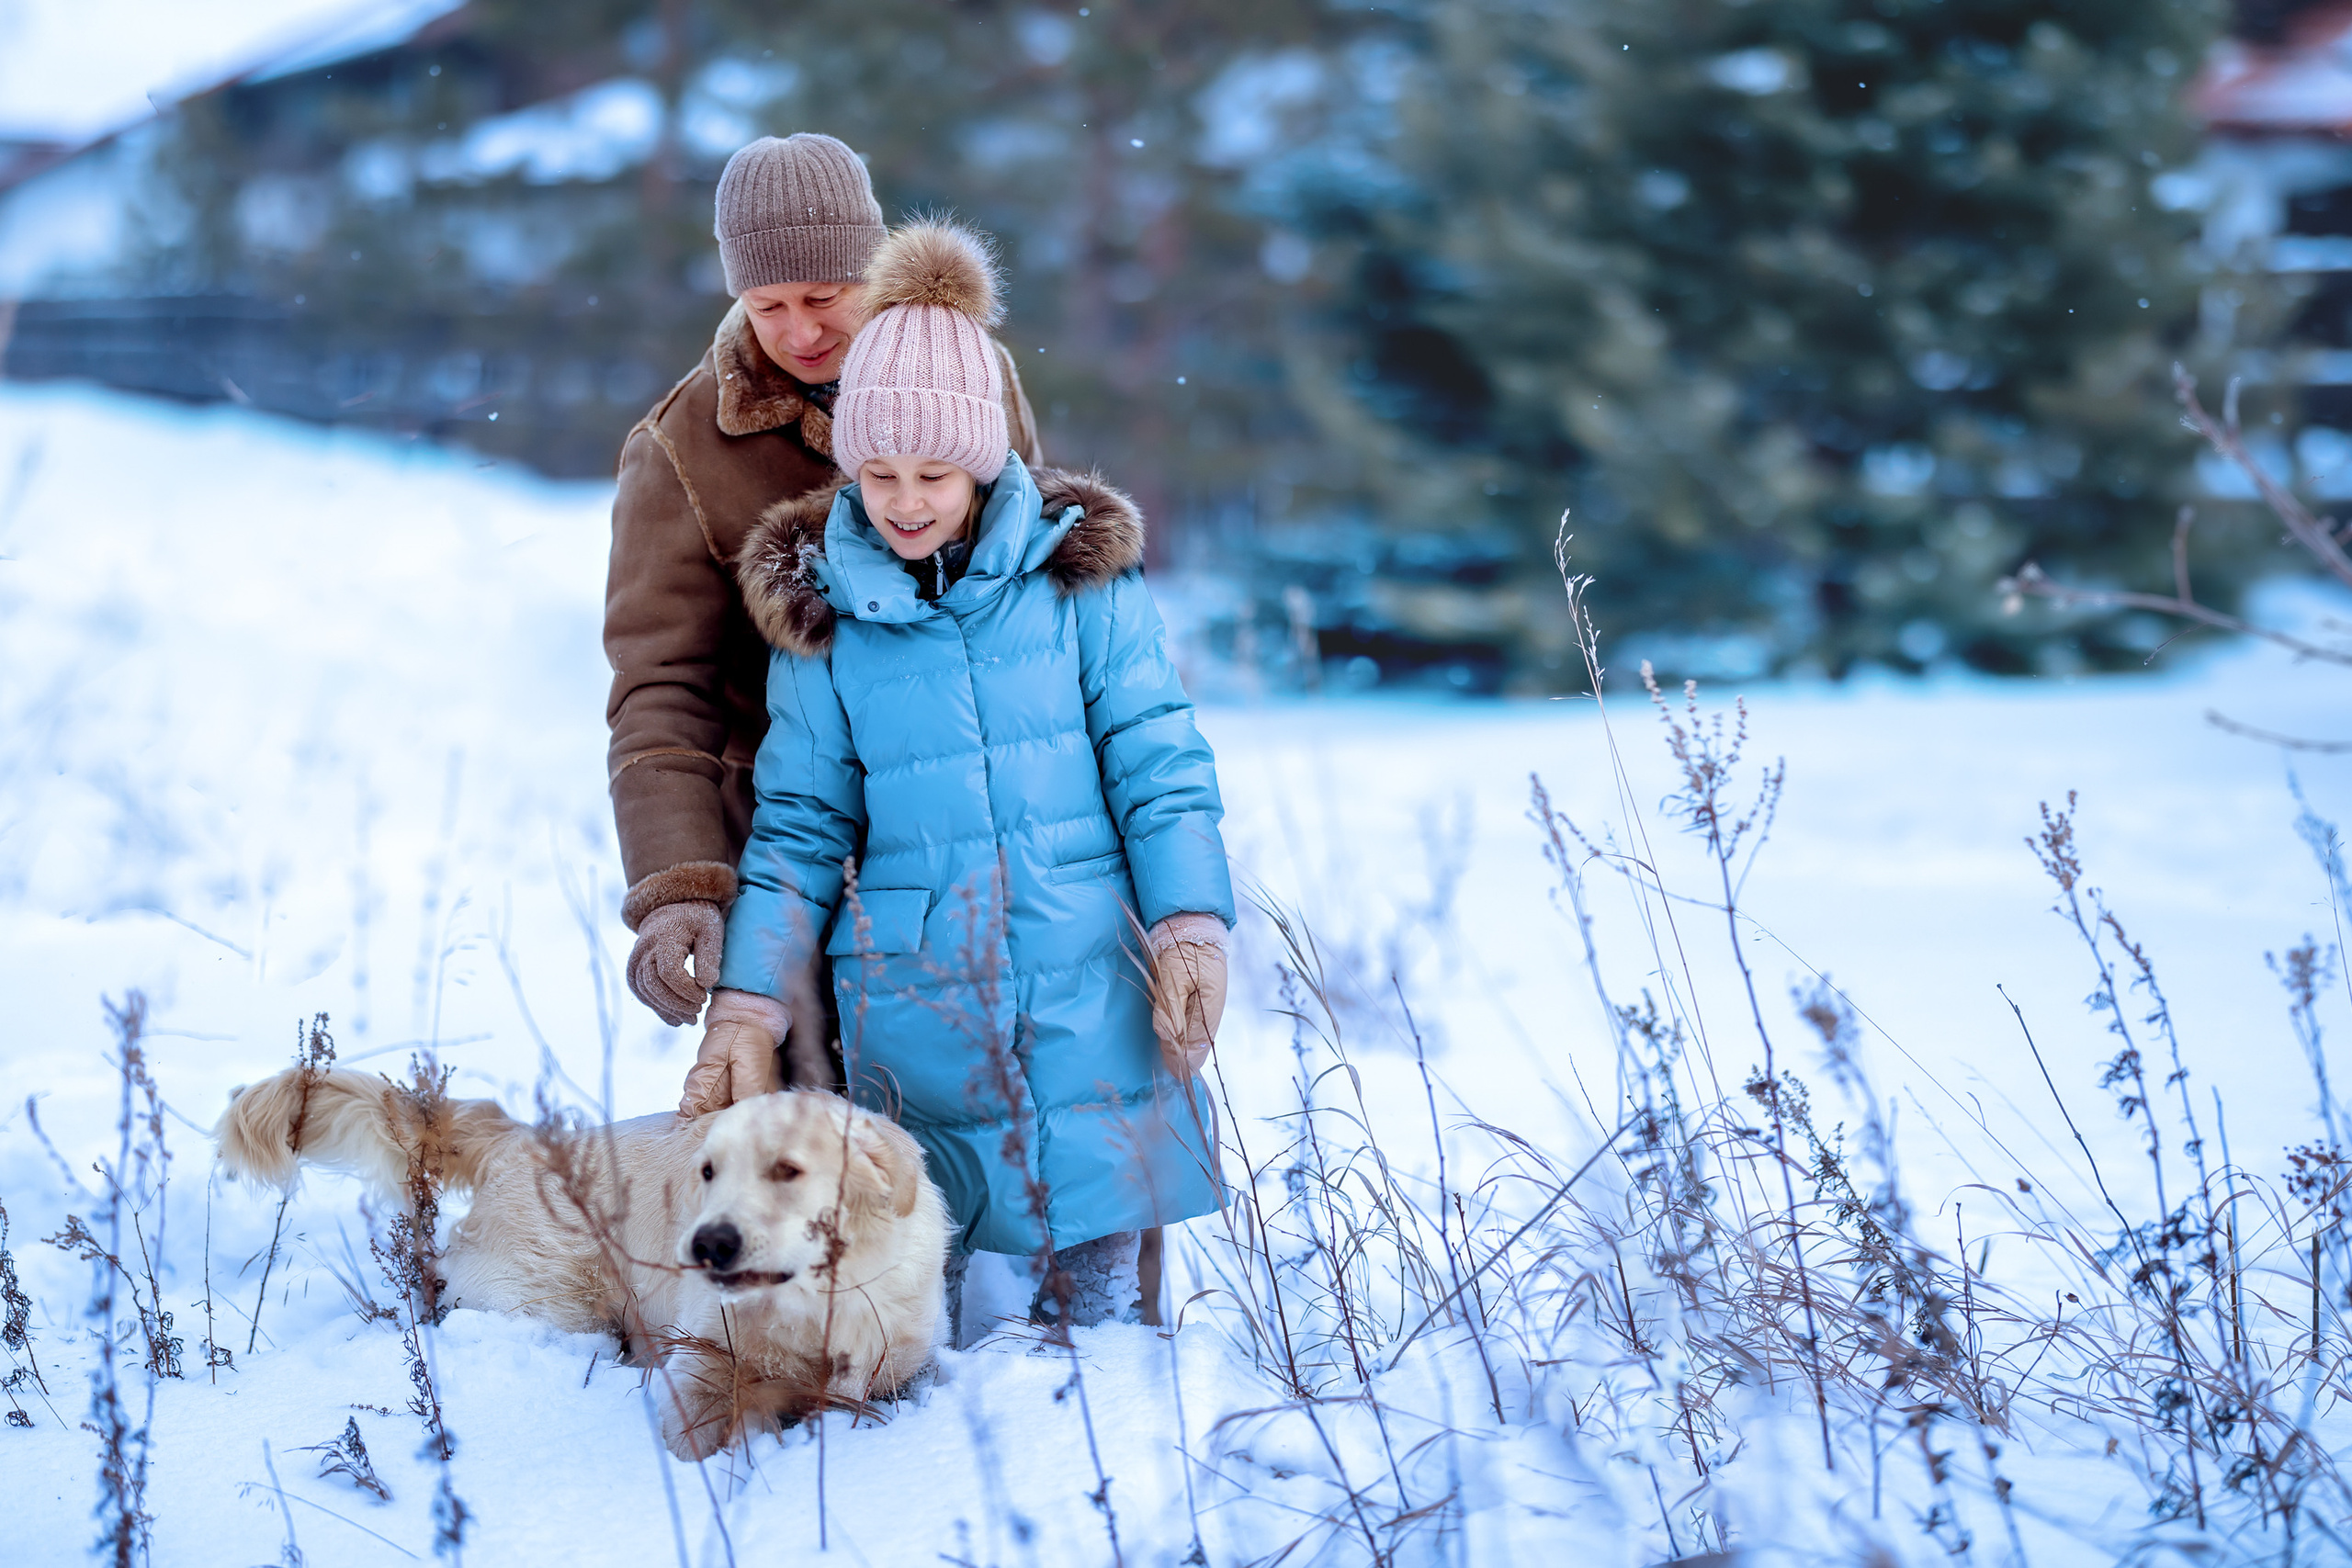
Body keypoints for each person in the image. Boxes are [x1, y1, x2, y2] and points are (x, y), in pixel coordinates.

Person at [693, 218, 1231, 1328]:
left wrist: (1187, 920)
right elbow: (797, 824)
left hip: (1088, 964)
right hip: (914, 994)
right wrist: (746, 1004)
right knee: (911, 1271)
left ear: (982, 461)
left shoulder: (1078, 584)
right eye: (878, 472)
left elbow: (1158, 759)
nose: (903, 500)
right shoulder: (826, 620)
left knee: (1096, 1271)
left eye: (932, 471)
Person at [605, 133, 1042, 1081]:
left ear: (871, 269)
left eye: (823, 298)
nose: (799, 330)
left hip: (973, 830)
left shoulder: (973, 375)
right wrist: (680, 885)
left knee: (1016, 1124)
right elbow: (660, 683)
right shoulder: (682, 448)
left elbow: (1026, 589)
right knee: (822, 1159)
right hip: (798, 849)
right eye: (768, 305)